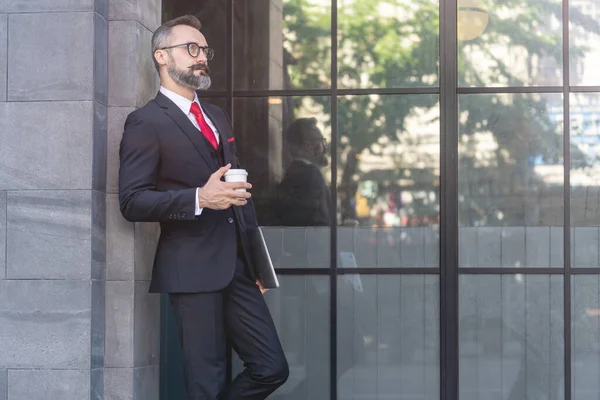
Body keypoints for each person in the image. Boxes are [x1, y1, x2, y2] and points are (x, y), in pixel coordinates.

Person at [118, 15, 289, 400]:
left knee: (271, 368)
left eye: (204, 50)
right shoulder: (145, 122)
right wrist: (199, 197)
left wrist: (258, 265)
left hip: (239, 269)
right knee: (206, 383)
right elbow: (131, 200)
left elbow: (238, 194)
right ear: (162, 56)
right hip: (191, 268)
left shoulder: (216, 116)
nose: (201, 58)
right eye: (191, 49)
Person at [275, 118, 330, 226]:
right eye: (320, 140)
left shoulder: (290, 176)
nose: (323, 147)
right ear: (308, 146)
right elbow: (319, 222)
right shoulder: (312, 176)